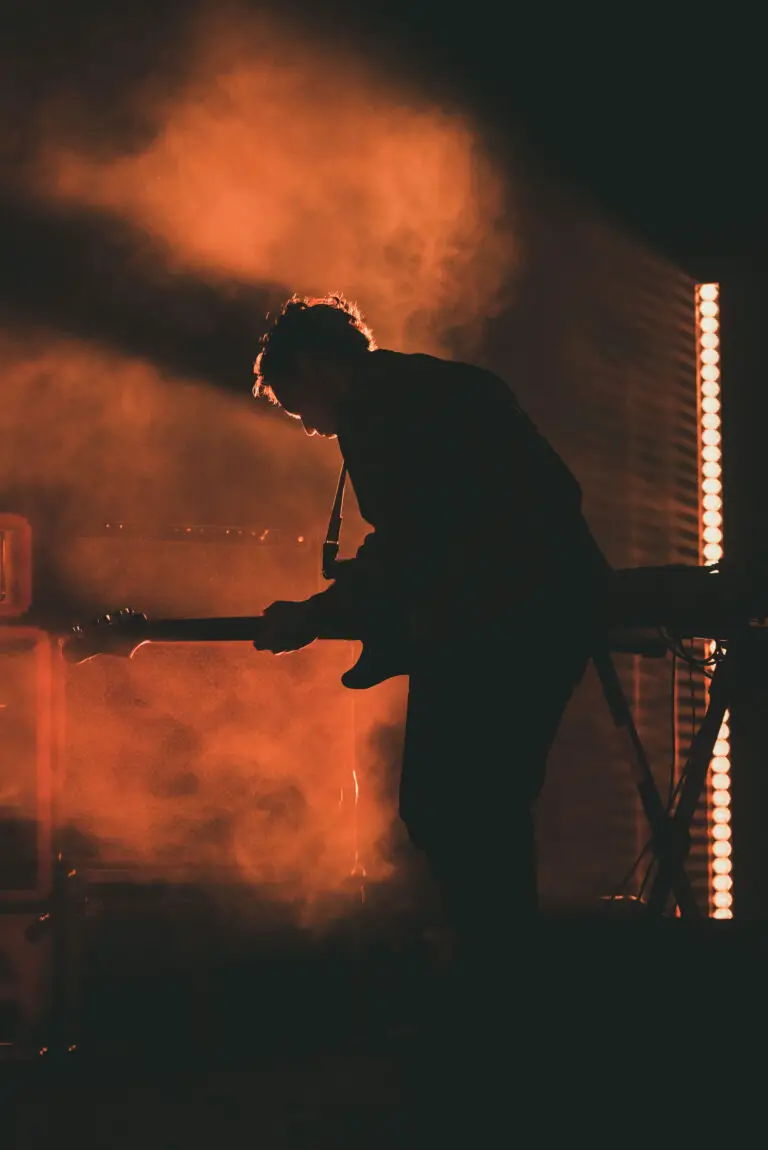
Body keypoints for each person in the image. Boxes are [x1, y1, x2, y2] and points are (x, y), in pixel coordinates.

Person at [251, 293, 611, 971]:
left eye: (300, 407)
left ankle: (502, 974)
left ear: (315, 369)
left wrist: (319, 612)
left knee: (454, 806)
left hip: (502, 628)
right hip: (536, 615)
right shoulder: (435, 388)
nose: (309, 428)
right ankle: (501, 970)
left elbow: (418, 540)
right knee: (477, 805)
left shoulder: (385, 413)